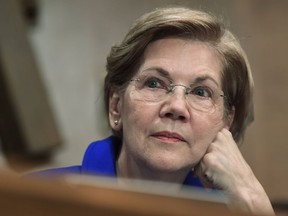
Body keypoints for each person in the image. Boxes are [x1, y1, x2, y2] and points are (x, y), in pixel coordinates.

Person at [33, 7, 274, 215]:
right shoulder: (37, 197)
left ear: (225, 123)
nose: (177, 107)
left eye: (201, 92)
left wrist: (253, 201)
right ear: (116, 106)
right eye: (154, 83)